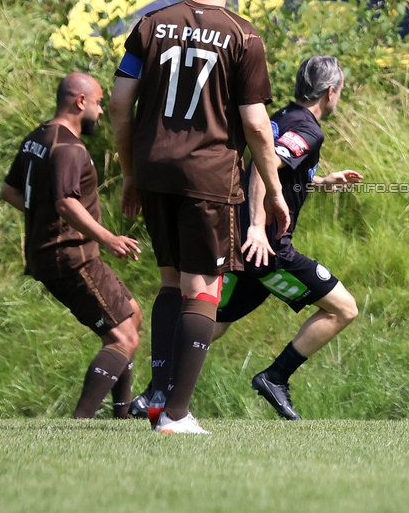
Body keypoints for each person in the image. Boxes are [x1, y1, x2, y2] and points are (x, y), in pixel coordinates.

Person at [109, 0, 290, 435]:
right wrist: (273, 192)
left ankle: (157, 395)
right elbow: (256, 126)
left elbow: (120, 104)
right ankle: (176, 414)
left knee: (170, 281)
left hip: (153, 169)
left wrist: (129, 171)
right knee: (202, 287)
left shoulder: (149, 25)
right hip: (207, 176)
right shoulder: (243, 36)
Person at [131, 56, 362, 421]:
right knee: (344, 308)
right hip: (267, 249)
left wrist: (320, 181)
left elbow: (277, 170)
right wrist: (257, 226)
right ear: (331, 92)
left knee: (213, 322)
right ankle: (275, 377)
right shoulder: (309, 129)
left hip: (242, 241)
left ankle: (154, 391)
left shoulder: (286, 115)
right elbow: (261, 162)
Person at [1, 72, 144, 419]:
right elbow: (66, 202)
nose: (99, 110)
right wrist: (108, 237)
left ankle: (121, 413)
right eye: (97, 102)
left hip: (54, 252)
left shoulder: (37, 137)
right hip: (71, 255)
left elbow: (10, 192)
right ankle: (80, 422)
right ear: (80, 102)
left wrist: (44, 214)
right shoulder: (68, 147)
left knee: (133, 315)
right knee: (123, 339)